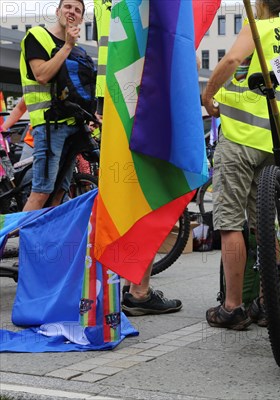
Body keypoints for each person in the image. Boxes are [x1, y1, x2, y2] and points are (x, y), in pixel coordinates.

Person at [202, 0, 280, 330]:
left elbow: (233, 59)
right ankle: (269, 302)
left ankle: (233, 306)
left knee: (230, 222)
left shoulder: (257, 27)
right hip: (273, 143)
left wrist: (209, 94)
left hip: (238, 140)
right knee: (265, 226)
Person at [92, 0, 182, 316]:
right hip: (137, 97)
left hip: (116, 99)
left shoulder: (107, 4)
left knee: (126, 190)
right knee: (145, 189)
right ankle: (137, 291)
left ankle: (122, 288)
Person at [20, 0, 88, 211]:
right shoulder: (37, 36)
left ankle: (47, 242)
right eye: (67, 7)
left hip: (72, 125)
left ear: (81, 18)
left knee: (60, 191)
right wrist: (67, 46)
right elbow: (42, 75)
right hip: (49, 126)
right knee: (42, 191)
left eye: (77, 10)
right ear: (58, 11)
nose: (72, 12)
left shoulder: (78, 50)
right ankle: (24, 243)